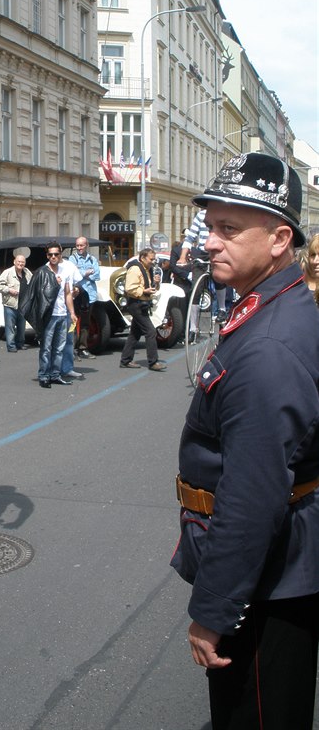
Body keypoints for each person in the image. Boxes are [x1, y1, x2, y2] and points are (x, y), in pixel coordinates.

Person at [171, 153, 319, 730]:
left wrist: (213, 609)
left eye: (229, 229)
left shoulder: (269, 348)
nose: (210, 242)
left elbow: (253, 497)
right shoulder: (270, 306)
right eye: (210, 226)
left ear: (280, 238)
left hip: (267, 585)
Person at [19, 242, 77, 389]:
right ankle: (44, 376)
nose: (53, 257)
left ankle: (55, 375)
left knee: (59, 348)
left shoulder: (65, 271)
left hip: (62, 314)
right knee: (46, 348)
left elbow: (68, 293)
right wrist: (54, 284)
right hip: (48, 316)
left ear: (60, 254)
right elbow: (36, 296)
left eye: (56, 254)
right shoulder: (42, 272)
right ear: (47, 256)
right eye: (50, 254)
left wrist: (72, 312)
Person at [177, 209, 229, 323]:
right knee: (195, 290)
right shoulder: (201, 215)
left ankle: (222, 309)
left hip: (217, 251)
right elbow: (190, 237)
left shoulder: (225, 213)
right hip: (201, 253)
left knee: (220, 279)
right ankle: (192, 328)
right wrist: (182, 257)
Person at [119, 248, 166, 371]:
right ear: (143, 258)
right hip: (136, 304)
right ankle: (153, 362)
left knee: (135, 333)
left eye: (154, 259)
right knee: (150, 332)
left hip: (143, 303)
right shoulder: (135, 269)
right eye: (151, 259)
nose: (153, 262)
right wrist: (143, 291)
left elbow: (152, 289)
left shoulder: (147, 269)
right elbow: (129, 288)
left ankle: (125, 360)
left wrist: (156, 283)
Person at [69, 236, 100, 360]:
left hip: (90, 296)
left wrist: (82, 273)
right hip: (77, 295)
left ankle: (83, 348)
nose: (79, 248)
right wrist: (86, 273)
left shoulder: (93, 259)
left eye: (81, 245)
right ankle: (72, 350)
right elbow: (74, 275)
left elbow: (97, 275)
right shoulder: (72, 258)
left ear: (86, 245)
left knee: (85, 324)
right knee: (73, 323)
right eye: (77, 246)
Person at [0, 254, 32, 352]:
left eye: (22, 262)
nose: (20, 264)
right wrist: (9, 290)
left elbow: (33, 283)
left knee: (21, 327)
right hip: (10, 304)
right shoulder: (7, 272)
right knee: (10, 327)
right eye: (19, 261)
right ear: (14, 262)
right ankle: (11, 346)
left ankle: (20, 344)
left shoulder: (27, 272)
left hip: (23, 304)